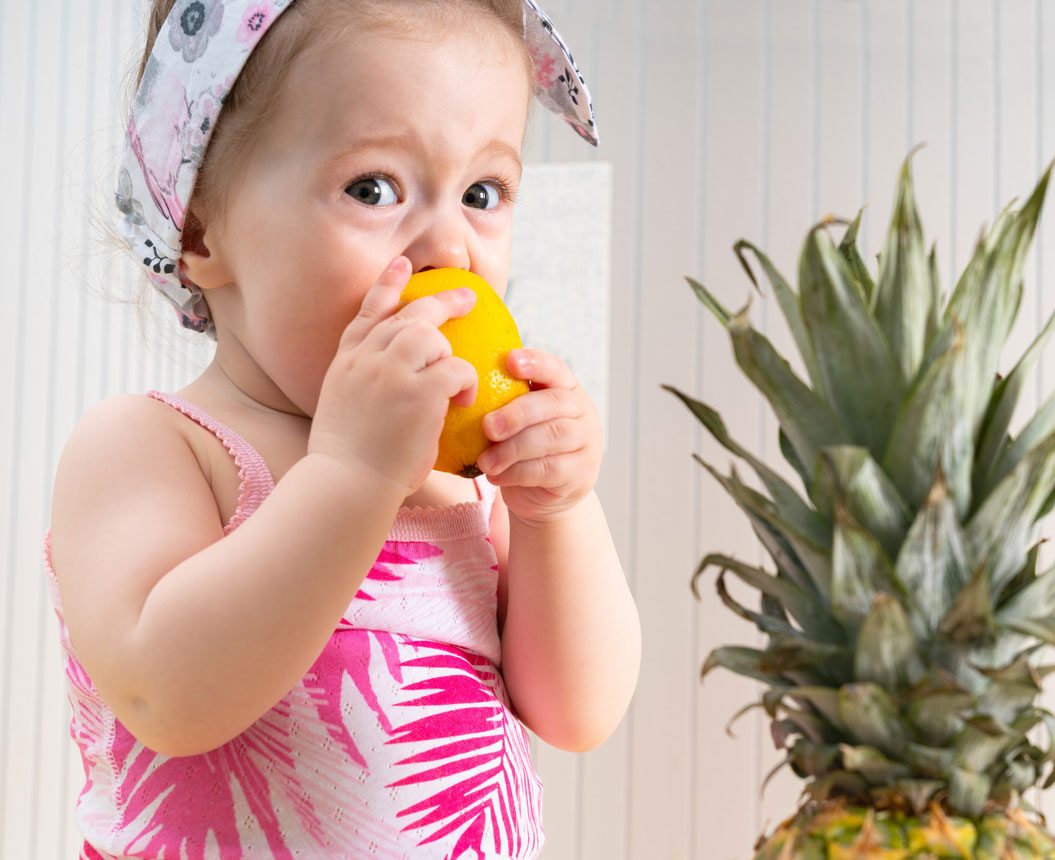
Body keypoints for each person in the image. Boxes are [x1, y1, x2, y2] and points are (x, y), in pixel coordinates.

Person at [43, 1, 640, 857]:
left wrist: (558, 511)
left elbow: (580, 711)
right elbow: (166, 697)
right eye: (374, 188)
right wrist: (353, 476)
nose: (451, 248)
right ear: (202, 229)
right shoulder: (154, 446)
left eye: (483, 193)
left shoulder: (471, 483)